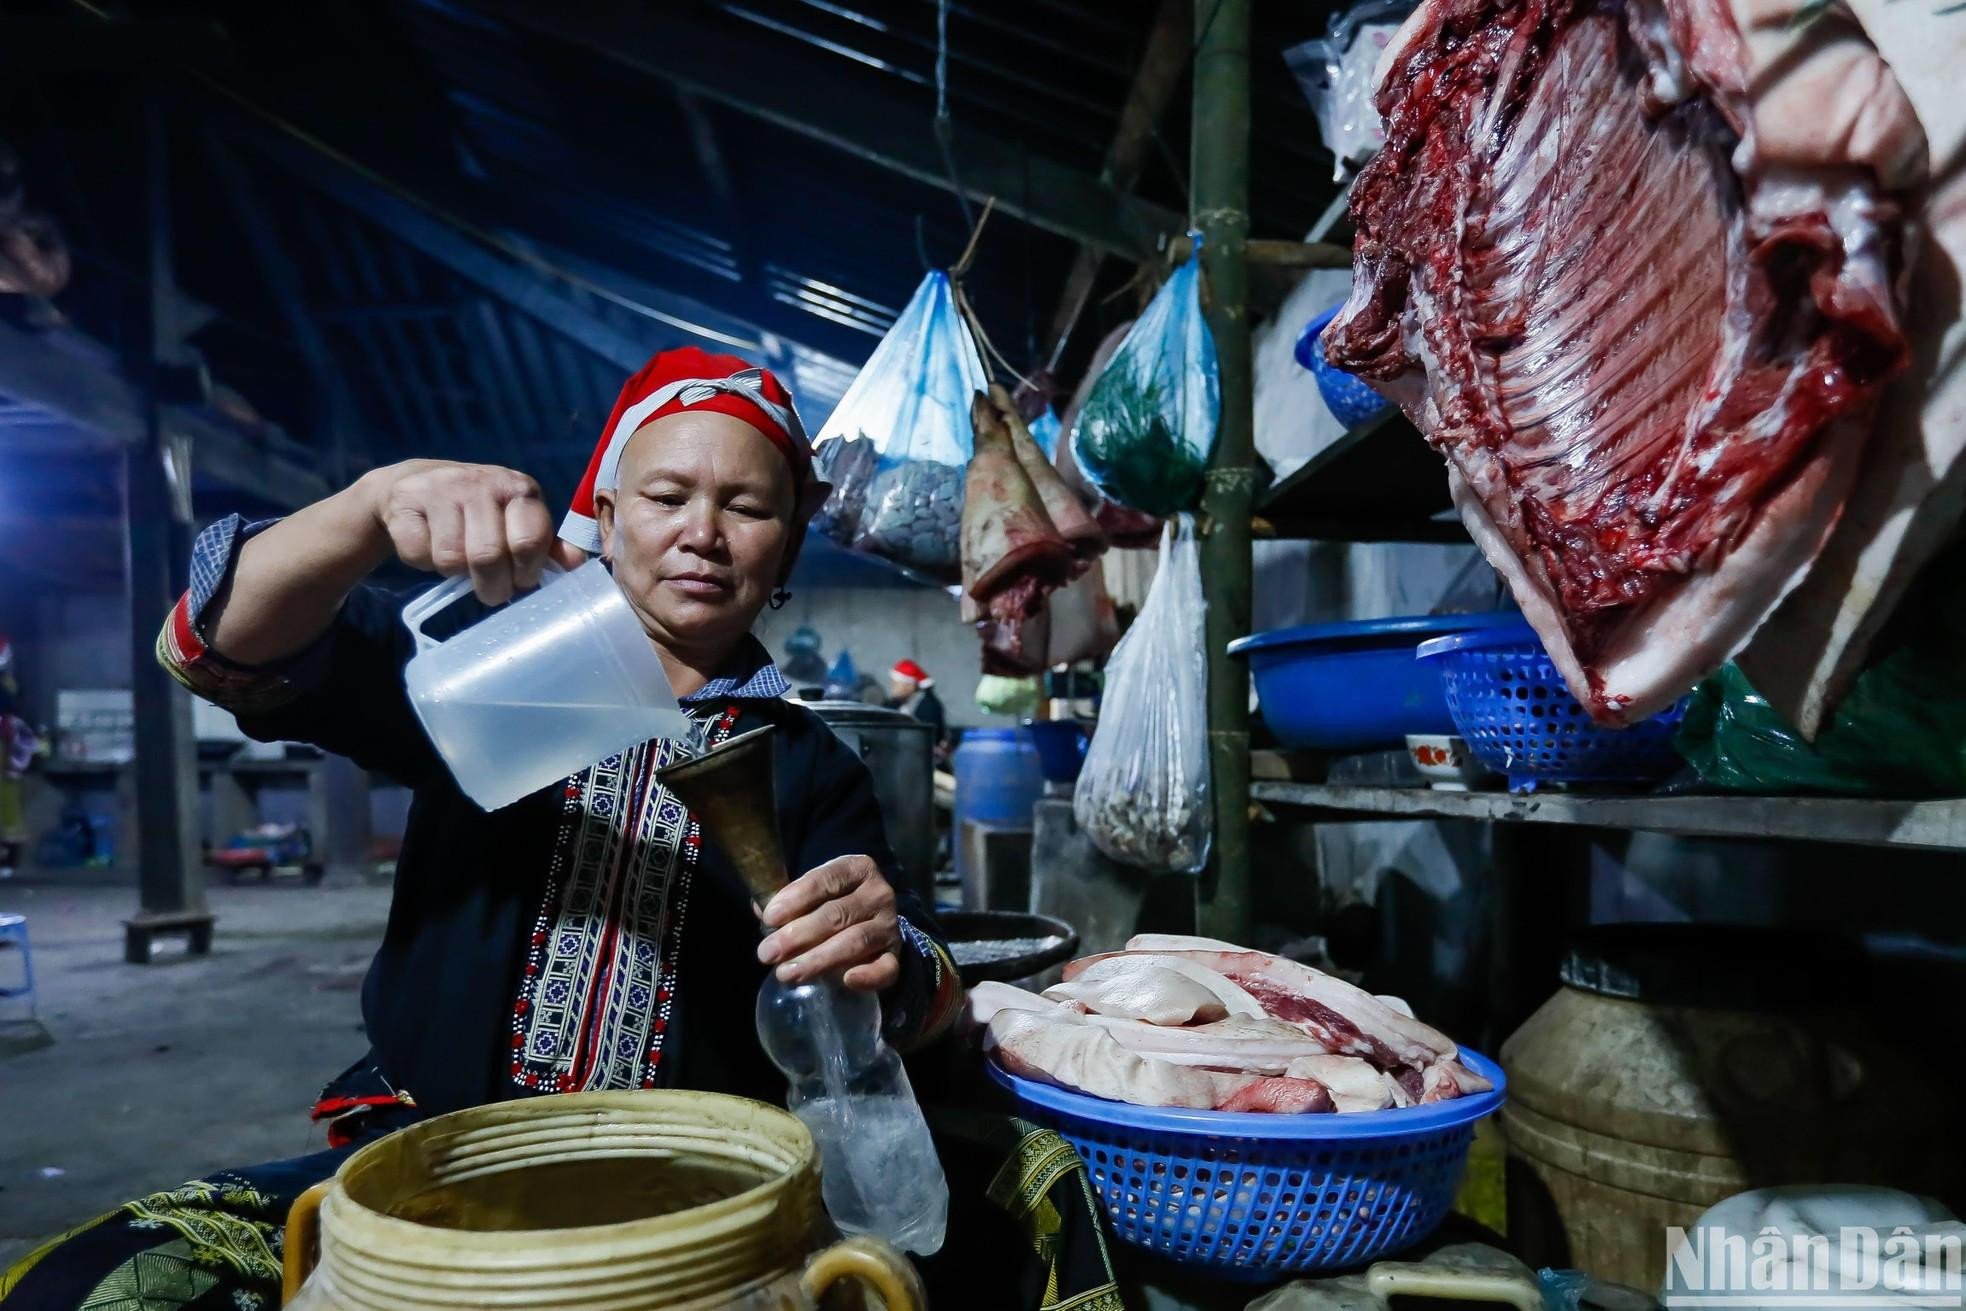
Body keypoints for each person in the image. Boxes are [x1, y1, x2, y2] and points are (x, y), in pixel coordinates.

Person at [2, 348, 987, 1307]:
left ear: (787, 540)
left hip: (684, 1222)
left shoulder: (812, 764)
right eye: (666, 496)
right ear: (604, 512)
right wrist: (366, 508)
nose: (702, 532)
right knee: (84, 1283)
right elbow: (219, 649)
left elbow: (919, 995)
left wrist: (879, 946)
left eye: (747, 505)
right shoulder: (500, 674)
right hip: (428, 1176)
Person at [888, 657, 949, 761]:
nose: (892, 686)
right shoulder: (896, 704)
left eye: (896, 683)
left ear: (910, 686)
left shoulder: (928, 706)